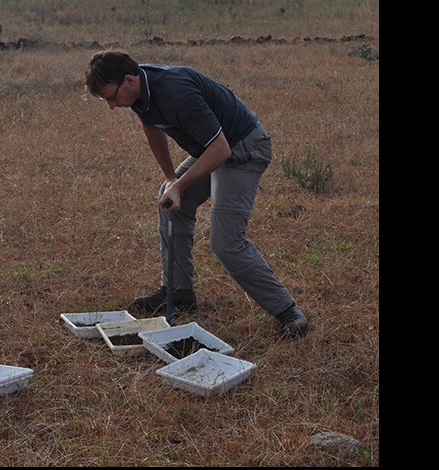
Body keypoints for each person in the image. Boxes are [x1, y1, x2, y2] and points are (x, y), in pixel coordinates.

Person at [84, 51, 309, 338]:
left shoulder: (175, 91)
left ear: (128, 80)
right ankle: (178, 292)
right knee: (169, 202)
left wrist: (179, 185)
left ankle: (287, 311)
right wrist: (170, 179)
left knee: (226, 242)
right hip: (213, 148)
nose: (112, 106)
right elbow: (151, 128)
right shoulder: (139, 91)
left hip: (242, 149)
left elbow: (221, 150)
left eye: (111, 98)